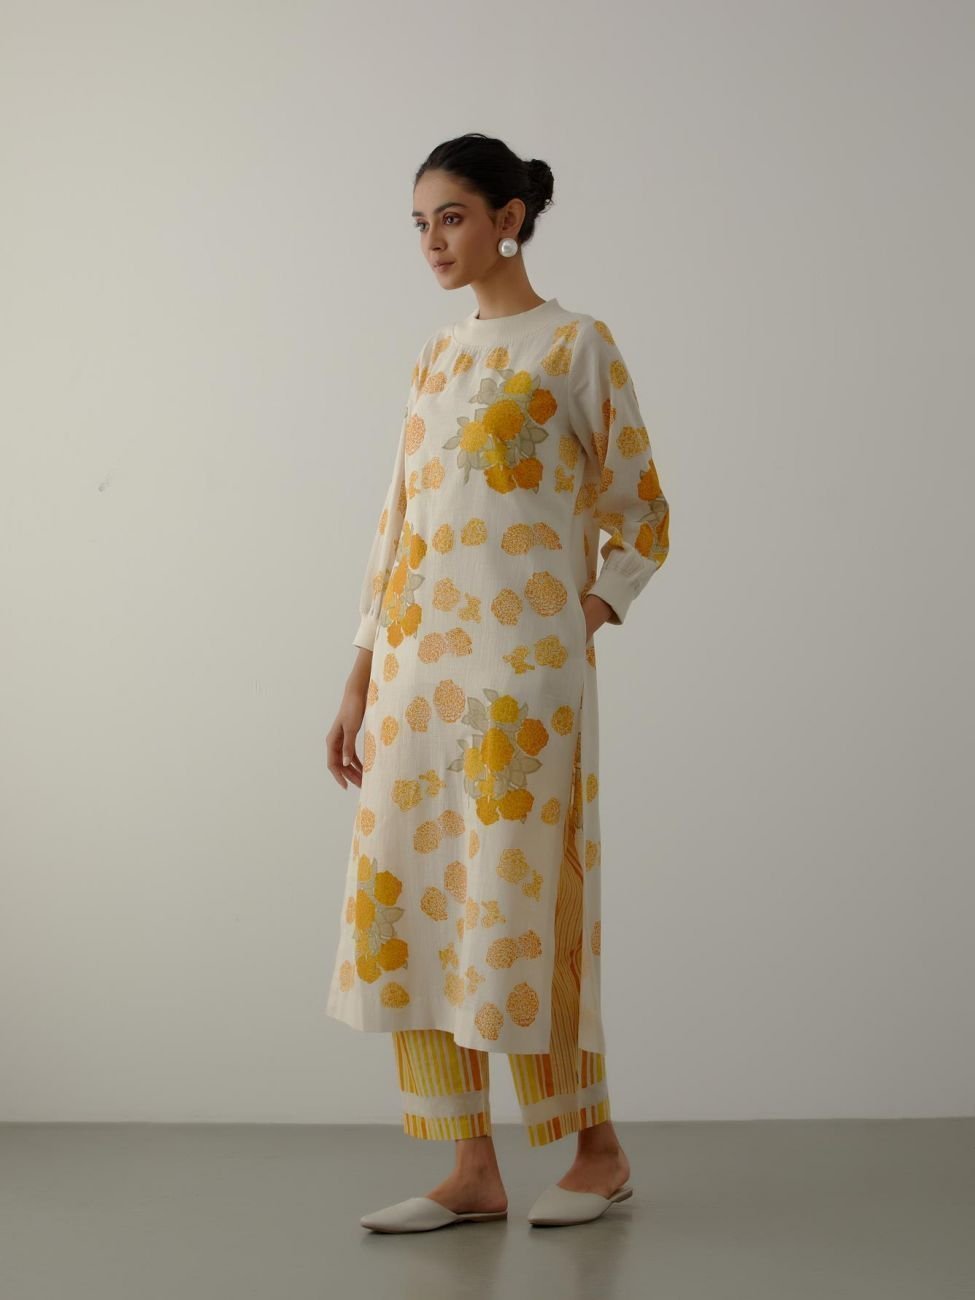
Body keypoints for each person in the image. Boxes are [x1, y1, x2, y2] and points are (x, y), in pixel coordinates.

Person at [324, 132, 670, 1232]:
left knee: (521, 912)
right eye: (420, 223)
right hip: (416, 677)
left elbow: (641, 511)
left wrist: (589, 612)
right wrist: (360, 673)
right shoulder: (435, 356)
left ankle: (597, 1151)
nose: (432, 241)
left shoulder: (576, 346)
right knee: (421, 906)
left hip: (523, 682)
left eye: (453, 217)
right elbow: (398, 525)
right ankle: (470, 1167)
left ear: (509, 219)